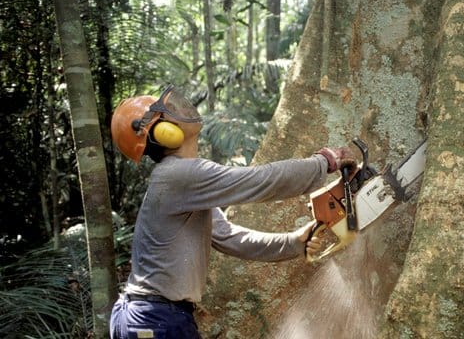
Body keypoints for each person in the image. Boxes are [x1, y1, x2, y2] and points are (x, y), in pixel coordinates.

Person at [108, 85, 356, 338]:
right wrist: (323, 162)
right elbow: (259, 181)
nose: (179, 108)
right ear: (163, 133)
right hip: (155, 318)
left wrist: (293, 243)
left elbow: (229, 237)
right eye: (168, 112)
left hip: (151, 316)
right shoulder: (178, 175)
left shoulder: (184, 183)